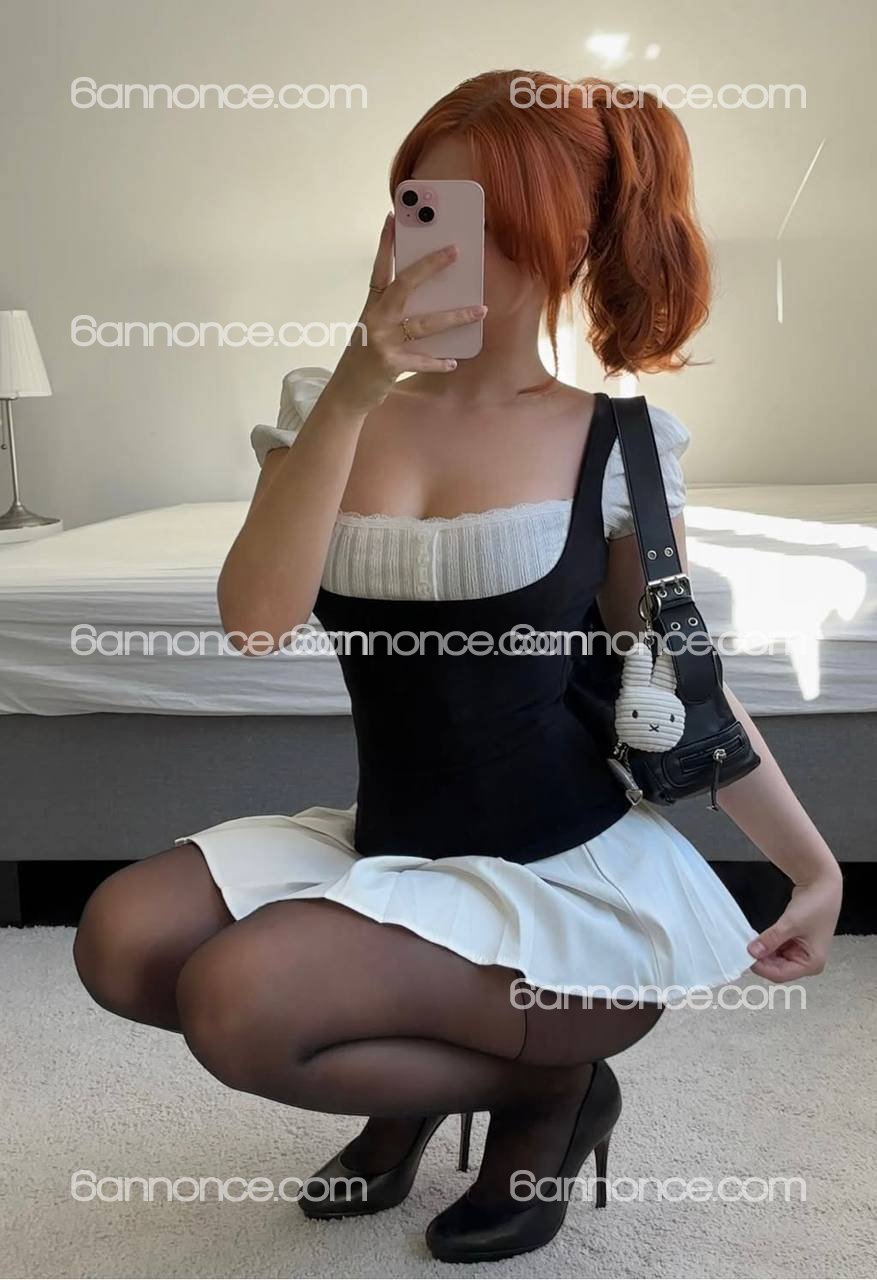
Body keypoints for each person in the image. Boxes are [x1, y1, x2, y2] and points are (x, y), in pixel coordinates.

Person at [73, 71, 842, 1264]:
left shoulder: (619, 442)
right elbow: (255, 622)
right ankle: (438, 1082)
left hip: (561, 887)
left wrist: (811, 864)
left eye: (481, 213)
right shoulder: (329, 406)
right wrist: (354, 383)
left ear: (563, 237)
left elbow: (679, 681)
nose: (434, 240)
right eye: (420, 203)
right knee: (121, 941)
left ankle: (552, 1091)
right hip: (391, 841)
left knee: (241, 1002)